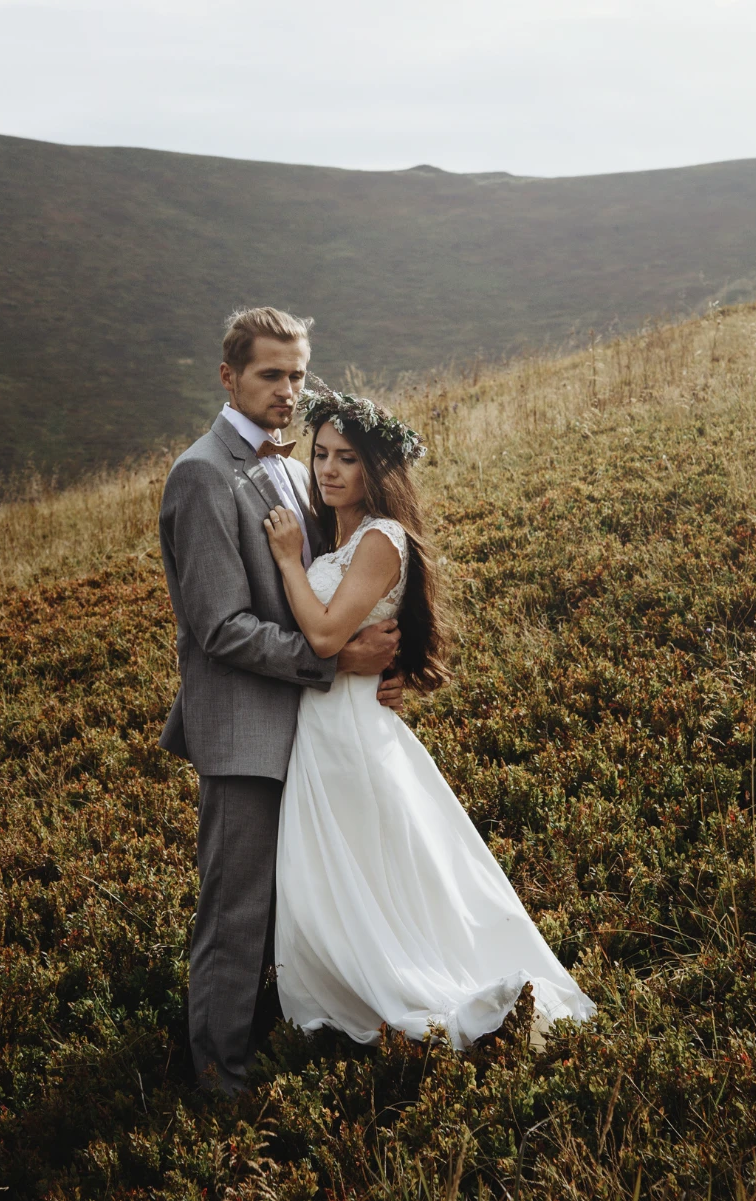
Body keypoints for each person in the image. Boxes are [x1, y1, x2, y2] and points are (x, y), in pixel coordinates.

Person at [259, 388, 596, 1049]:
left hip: (350, 732)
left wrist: (285, 559)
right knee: (343, 870)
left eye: (346, 458)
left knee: (370, 866)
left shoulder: (381, 537)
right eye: (320, 454)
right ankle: (353, 986)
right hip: (327, 728)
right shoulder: (345, 535)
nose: (327, 469)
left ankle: (407, 988)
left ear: (375, 468)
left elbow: (326, 636)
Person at [158, 307, 405, 1094]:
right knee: (235, 915)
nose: (289, 390)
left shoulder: (299, 469)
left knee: (284, 909)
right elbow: (221, 627)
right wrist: (332, 664)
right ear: (229, 376)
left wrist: (377, 666)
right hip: (242, 733)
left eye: (298, 374)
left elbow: (331, 590)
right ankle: (216, 1084)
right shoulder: (201, 474)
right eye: (272, 374)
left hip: (303, 731)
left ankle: (258, 1045)